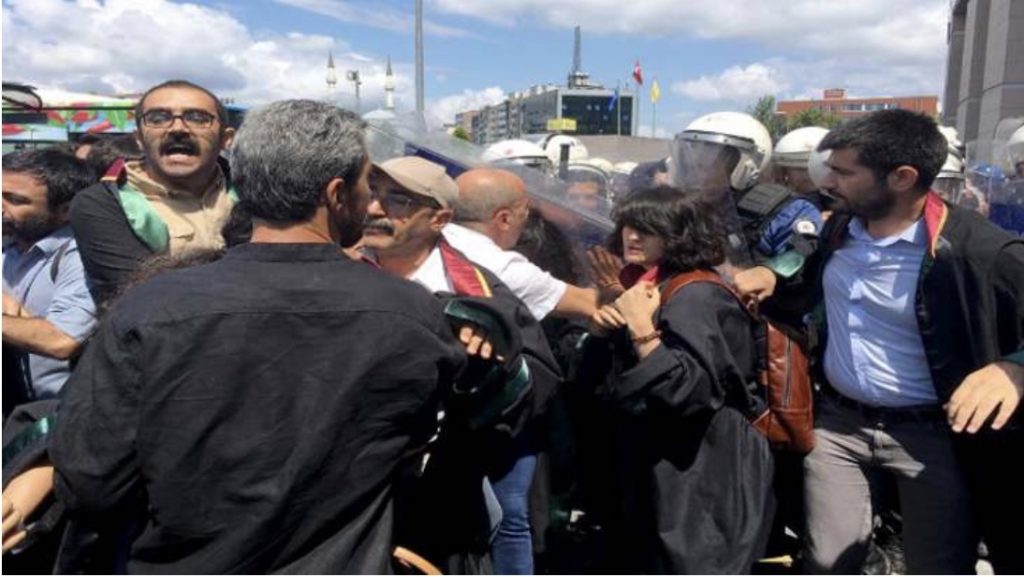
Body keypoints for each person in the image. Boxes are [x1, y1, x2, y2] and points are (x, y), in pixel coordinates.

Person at [49, 100, 468, 574]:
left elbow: (91, 477)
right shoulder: (410, 312)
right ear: (336, 194)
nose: (370, 202)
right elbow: (418, 442)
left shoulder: (151, 307)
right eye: (366, 185)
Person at [736, 108, 1024, 573]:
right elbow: (804, 262)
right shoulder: (838, 230)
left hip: (934, 439)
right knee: (826, 562)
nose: (828, 181)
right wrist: (773, 272)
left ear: (902, 177)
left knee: (937, 565)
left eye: (844, 172)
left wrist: (1015, 366)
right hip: (839, 427)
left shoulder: (980, 251)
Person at [362, 157, 563, 574]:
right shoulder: (339, 274)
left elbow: (535, 380)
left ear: (439, 219)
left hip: (447, 486)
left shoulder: (479, 293)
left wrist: (486, 367)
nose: (375, 209)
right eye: (372, 194)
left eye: (397, 200)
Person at [578, 186, 774, 573]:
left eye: (648, 228)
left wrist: (641, 329)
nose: (632, 236)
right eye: (628, 225)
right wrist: (601, 333)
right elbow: (600, 385)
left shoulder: (694, 293)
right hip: (659, 463)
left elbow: (689, 392)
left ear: (678, 236)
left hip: (702, 468)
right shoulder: (648, 287)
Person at [69, 79, 237, 306]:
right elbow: (140, 294)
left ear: (226, 139)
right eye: (158, 118)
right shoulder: (101, 203)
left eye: (198, 118)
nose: (178, 129)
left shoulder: (255, 196)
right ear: (139, 139)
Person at [2, 149, 97, 409]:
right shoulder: (9, 243)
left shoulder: (80, 255)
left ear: (65, 210)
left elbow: (62, 340)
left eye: (15, 200)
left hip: (56, 413)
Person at [445, 168, 601, 323]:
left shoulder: (434, 240)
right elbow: (590, 304)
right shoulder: (504, 268)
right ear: (504, 219)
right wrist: (612, 285)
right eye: (526, 210)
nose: (528, 219)